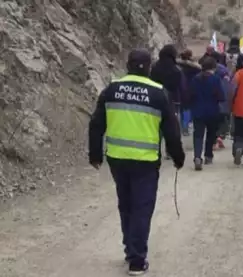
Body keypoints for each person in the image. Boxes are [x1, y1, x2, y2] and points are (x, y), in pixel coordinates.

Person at [88, 49, 185, 276]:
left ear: (127, 65)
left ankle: (130, 248)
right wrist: (178, 157)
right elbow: (171, 130)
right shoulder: (158, 93)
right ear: (149, 67)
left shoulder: (111, 89)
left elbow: (96, 124)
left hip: (117, 159)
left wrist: (95, 155)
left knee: (126, 203)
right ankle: (137, 260)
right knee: (142, 207)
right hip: (145, 161)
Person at [189, 56, 225, 170]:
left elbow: (191, 95)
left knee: (198, 135)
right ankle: (208, 155)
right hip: (212, 111)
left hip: (198, 111)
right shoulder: (216, 79)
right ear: (213, 67)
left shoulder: (195, 79)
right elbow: (221, 96)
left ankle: (197, 156)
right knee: (211, 134)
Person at [176, 49, 202, 136]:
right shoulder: (194, 67)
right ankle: (185, 128)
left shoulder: (177, 65)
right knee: (187, 110)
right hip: (189, 89)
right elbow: (199, 69)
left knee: (180, 110)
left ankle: (180, 128)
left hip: (178, 89)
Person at [211, 51, 232, 150]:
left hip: (212, 99)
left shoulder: (209, 69)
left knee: (213, 121)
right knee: (223, 120)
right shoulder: (225, 70)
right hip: (224, 98)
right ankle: (220, 136)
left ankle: (214, 140)